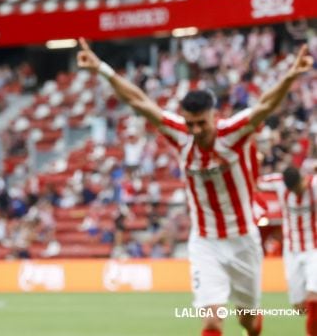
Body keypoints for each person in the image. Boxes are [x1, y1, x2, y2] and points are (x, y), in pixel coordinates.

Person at [76, 38, 313, 336]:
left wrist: (291, 75)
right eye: (191, 124)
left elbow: (266, 104)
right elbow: (138, 101)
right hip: (205, 242)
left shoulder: (234, 132)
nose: (196, 130)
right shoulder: (179, 135)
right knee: (212, 320)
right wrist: (101, 68)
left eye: (202, 123)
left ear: (213, 116)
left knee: (249, 322)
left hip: (243, 241)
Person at [258, 165, 317, 334]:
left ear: (302, 179)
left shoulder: (314, 185)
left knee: (313, 296)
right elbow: (255, 181)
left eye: (299, 187)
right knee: (299, 307)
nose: (298, 192)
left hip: (314, 249)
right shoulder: (278, 183)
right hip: (291, 251)